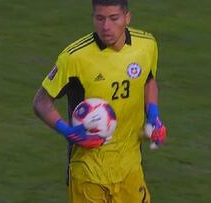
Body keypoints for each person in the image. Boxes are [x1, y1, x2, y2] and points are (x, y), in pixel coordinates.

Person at [33, 0, 167, 202]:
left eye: (114, 18)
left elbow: (148, 79)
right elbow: (41, 102)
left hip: (130, 168)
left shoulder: (146, 45)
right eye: (100, 18)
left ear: (127, 18)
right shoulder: (74, 57)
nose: (106, 27)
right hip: (88, 172)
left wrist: (153, 113)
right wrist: (66, 131)